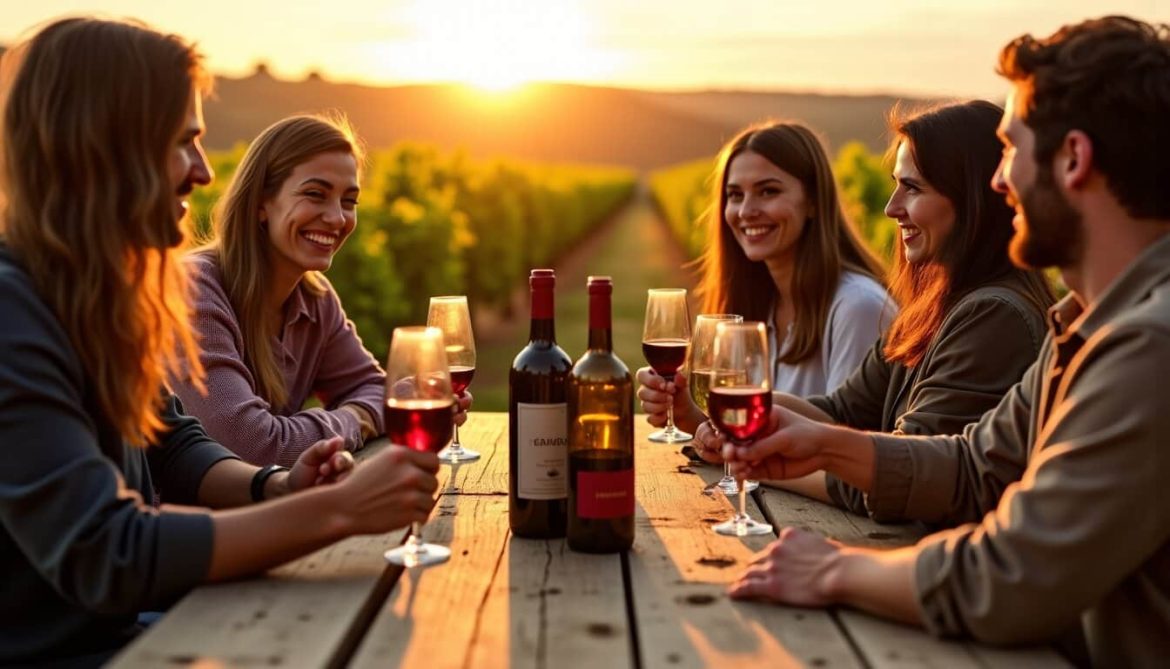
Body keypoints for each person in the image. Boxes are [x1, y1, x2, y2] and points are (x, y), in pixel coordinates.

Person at [722, 16, 1170, 666]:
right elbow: (973, 465)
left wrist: (835, 570)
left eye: (1012, 150)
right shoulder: (1085, 322)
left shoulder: (1147, 344)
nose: (997, 180)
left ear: (1073, 158)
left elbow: (1011, 576)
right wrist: (825, 444)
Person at [0, 18, 439, 666]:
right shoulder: (12, 310)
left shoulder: (92, 295)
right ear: (105, 147)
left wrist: (280, 487)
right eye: (183, 144)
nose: (204, 172)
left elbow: (173, 445)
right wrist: (335, 513)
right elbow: (107, 551)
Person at [692, 101, 1054, 516]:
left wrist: (750, 459)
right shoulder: (933, 308)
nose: (891, 207)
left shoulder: (994, 317)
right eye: (896, 185)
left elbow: (903, 478)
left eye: (913, 188)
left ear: (971, 196)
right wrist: (746, 418)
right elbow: (844, 411)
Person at [170, 114, 469, 467]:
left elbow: (378, 390)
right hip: (190, 520)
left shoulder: (314, 298)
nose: (337, 218)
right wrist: (356, 419)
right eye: (315, 194)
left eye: (349, 201)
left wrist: (393, 401)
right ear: (261, 203)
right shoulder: (192, 290)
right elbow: (253, 447)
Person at [639, 121, 894, 433]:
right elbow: (748, 430)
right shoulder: (759, 300)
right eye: (735, 195)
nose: (746, 210)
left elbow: (847, 451)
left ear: (814, 200)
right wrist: (687, 414)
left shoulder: (858, 307)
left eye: (768, 191)